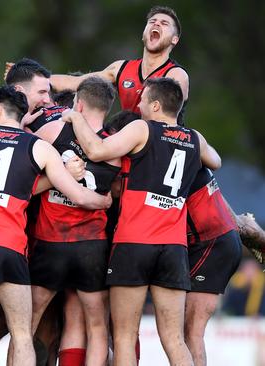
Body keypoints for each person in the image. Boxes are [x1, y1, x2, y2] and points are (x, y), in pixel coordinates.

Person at [0, 85, 111, 366]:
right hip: (8, 245)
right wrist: (104, 202)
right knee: (21, 335)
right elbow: (79, 195)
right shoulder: (37, 145)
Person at [62, 77, 220, 366]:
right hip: (173, 248)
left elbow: (96, 150)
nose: (139, 104)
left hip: (134, 243)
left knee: (123, 336)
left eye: (144, 99)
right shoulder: (195, 138)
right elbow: (216, 161)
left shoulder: (141, 129)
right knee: (173, 338)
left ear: (156, 105)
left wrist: (74, 117)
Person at [29, 76, 121, 366]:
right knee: (96, 327)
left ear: (77, 104)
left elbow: (17, 147)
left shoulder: (53, 131)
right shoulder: (115, 146)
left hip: (50, 240)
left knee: (25, 327)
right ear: (106, 108)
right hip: (91, 245)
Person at [50, 6, 189, 123]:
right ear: (143, 34)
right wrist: (40, 79)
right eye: (152, 21)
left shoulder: (176, 75)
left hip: (159, 146)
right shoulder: (121, 68)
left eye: (164, 23)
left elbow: (164, 119)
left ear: (174, 39)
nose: (156, 24)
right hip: (128, 144)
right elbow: (76, 82)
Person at [184, 167, 242, 366]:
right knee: (188, 331)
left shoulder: (177, 148)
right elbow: (214, 159)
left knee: (192, 332)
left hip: (212, 245)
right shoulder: (193, 146)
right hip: (219, 239)